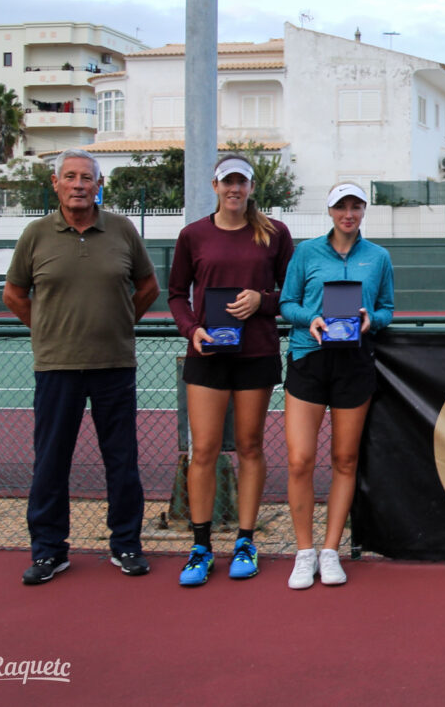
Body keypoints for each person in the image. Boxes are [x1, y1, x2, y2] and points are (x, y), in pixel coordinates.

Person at [3, 148, 160, 584]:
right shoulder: (36, 235)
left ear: (98, 185)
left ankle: (126, 544)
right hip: (56, 368)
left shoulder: (123, 230)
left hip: (114, 366)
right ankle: (50, 551)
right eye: (70, 177)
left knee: (122, 462)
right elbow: (14, 295)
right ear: (56, 184)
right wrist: (48, 330)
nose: (78, 185)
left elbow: (148, 287)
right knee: (51, 462)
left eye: (86, 178)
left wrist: (121, 322)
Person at [168, 154, 293, 586]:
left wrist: (263, 301)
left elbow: (292, 295)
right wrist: (192, 330)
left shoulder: (275, 234)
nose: (234, 189)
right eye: (227, 182)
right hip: (208, 356)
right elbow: (175, 295)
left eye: (241, 182)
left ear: (252, 187)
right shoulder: (193, 235)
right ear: (215, 185)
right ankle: (200, 547)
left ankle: (245, 541)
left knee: (250, 447)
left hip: (256, 354)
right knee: (202, 450)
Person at [279, 182, 394, 589]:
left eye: (355, 206)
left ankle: (330, 552)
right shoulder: (306, 252)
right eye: (341, 206)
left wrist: (371, 321)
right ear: (329, 211)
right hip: (308, 359)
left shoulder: (378, 257)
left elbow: (386, 309)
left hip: (354, 364)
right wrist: (309, 318)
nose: (349, 213)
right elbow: (287, 303)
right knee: (300, 460)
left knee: (345, 460)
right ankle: (303, 551)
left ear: (363, 211)